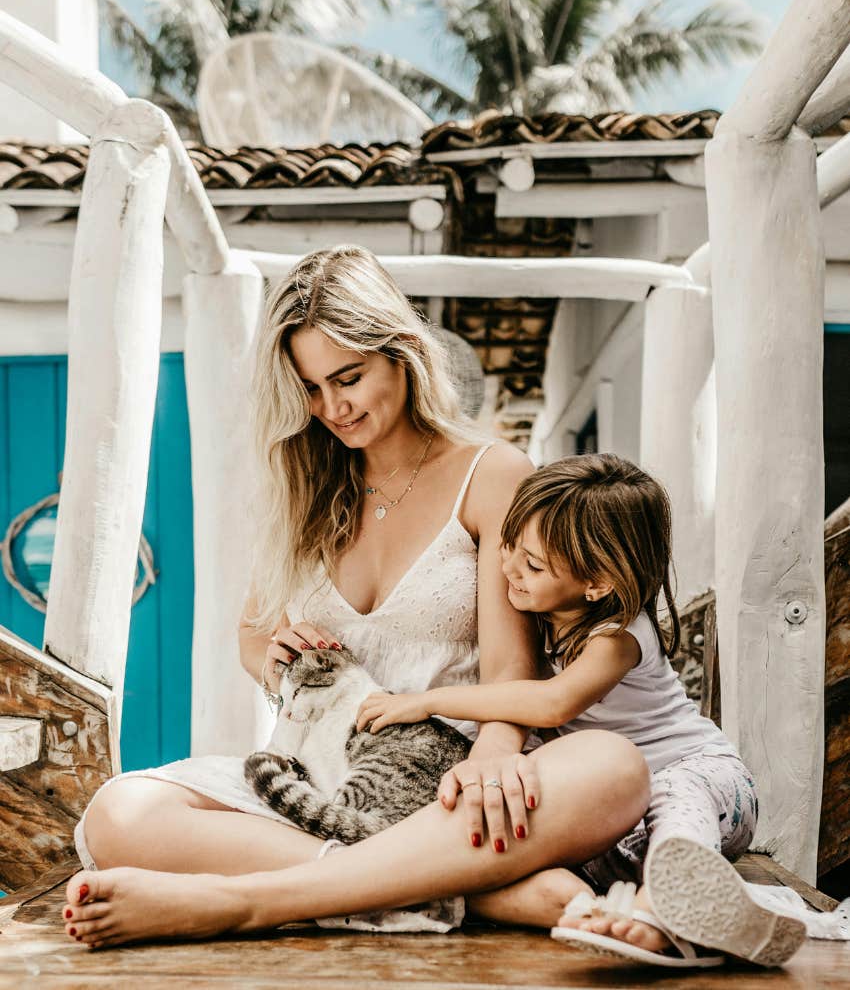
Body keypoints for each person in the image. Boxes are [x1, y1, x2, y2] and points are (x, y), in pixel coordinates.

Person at [63, 246, 649, 949]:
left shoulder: (493, 472)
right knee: (120, 812)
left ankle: (239, 901)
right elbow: (254, 638)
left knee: (614, 771)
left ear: (400, 351)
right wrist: (277, 657)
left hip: (448, 788)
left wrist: (498, 754)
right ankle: (470, 895)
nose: (332, 408)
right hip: (317, 772)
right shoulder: (300, 482)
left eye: (349, 378)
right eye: (309, 389)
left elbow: (511, 674)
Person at [356, 455, 789, 967]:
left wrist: (426, 701)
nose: (509, 567)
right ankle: (667, 916)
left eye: (533, 564)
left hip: (708, 787)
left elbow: (551, 703)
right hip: (621, 813)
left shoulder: (618, 637)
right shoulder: (538, 615)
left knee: (675, 795)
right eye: (508, 545)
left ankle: (662, 910)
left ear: (598, 584)